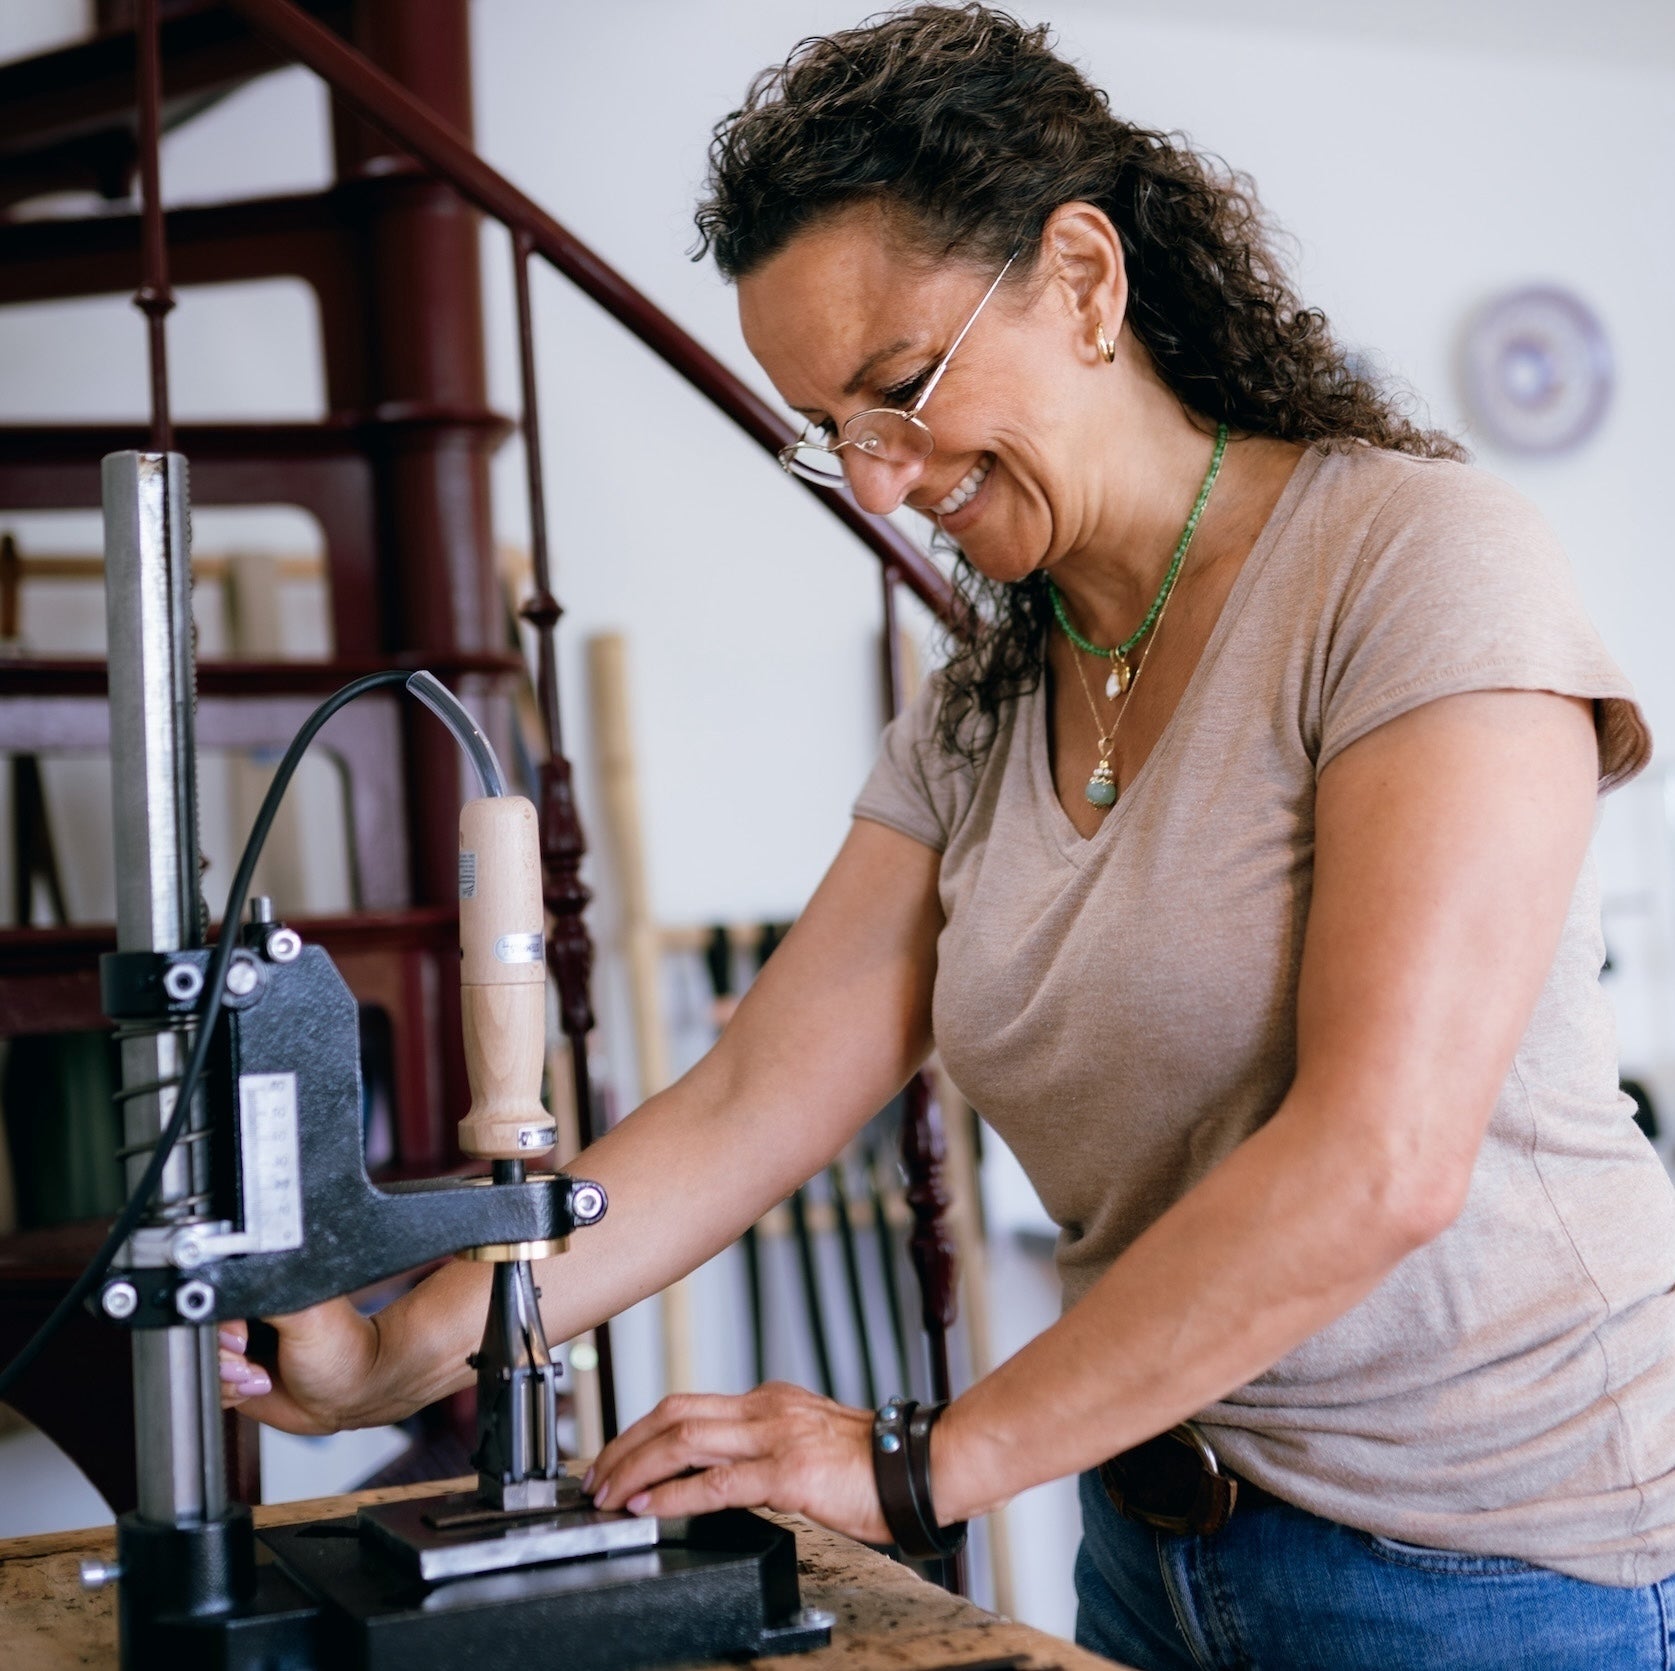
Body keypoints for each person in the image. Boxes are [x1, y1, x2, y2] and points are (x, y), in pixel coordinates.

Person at [219, 6, 1674, 1665]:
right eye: (828, 431)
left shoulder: (1416, 567)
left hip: (1500, 1571)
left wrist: (914, 1463)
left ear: (1083, 279)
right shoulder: (985, 708)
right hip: (1154, 1545)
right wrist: (395, 1358)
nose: (882, 486)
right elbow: (752, 1103)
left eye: (901, 393)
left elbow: (1380, 1165)